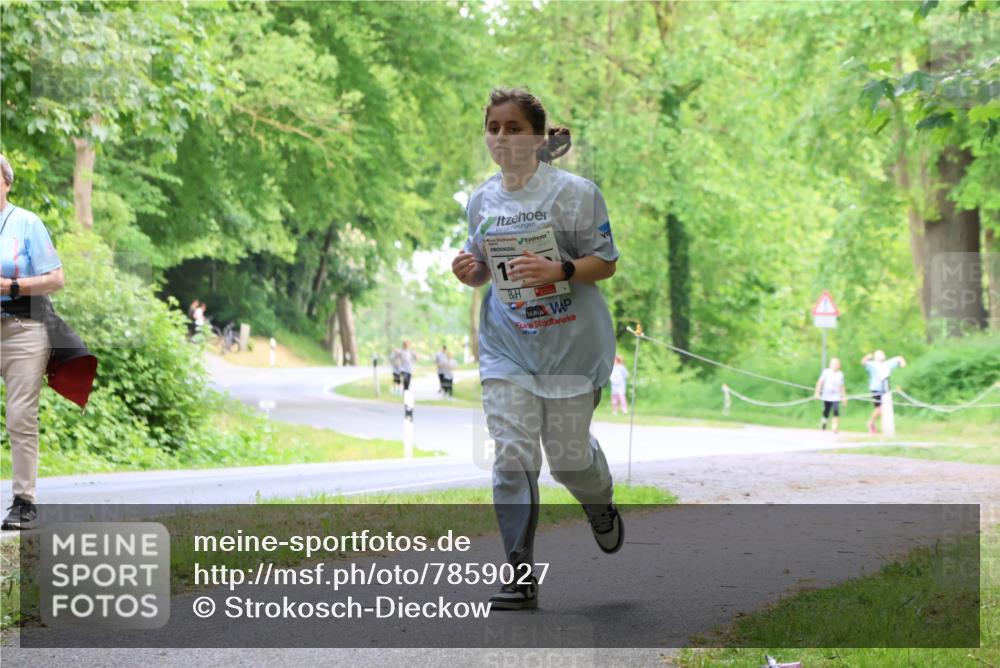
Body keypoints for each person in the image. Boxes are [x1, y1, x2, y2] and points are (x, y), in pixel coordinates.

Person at [452, 88, 622, 610]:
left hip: (572, 347)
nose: (502, 137)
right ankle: (520, 572)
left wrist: (560, 270)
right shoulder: (482, 200)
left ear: (538, 136)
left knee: (569, 462)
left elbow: (606, 261)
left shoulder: (575, 193)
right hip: (508, 347)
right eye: (494, 127)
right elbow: (483, 265)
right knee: (512, 456)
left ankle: (599, 502)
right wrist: (470, 270)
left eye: (513, 127)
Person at [1, 153, 97, 530]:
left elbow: (56, 278)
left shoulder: (26, 223)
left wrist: (11, 285)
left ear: (7, 182)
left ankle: (24, 501)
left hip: (24, 328)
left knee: (19, 416)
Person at [862, 350, 906, 434]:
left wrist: (902, 362)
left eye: (882, 353)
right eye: (879, 354)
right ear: (875, 357)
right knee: (879, 409)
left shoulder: (888, 364)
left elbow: (899, 358)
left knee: (886, 409)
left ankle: (883, 427)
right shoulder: (872, 364)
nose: (881, 355)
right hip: (876, 389)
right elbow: (863, 362)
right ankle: (871, 423)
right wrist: (867, 356)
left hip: (886, 390)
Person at [814, 357, 847, 433]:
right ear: (830, 364)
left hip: (836, 396)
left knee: (836, 410)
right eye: (833, 363)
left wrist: (844, 397)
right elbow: (820, 382)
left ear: (839, 365)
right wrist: (817, 392)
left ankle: (834, 427)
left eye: (837, 364)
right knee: (826, 410)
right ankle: (823, 422)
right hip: (827, 395)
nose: (835, 365)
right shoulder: (826, 372)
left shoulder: (840, 374)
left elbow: (842, 386)